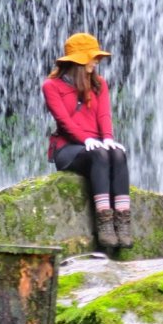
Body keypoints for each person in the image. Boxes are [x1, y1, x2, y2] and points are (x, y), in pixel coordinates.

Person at [42, 32, 132, 248]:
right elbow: (63, 121)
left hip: (96, 145)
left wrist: (108, 138)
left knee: (118, 153)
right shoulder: (51, 86)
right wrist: (86, 139)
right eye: (92, 57)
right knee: (100, 153)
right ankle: (105, 225)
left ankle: (123, 222)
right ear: (79, 61)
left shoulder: (99, 84)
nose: (96, 62)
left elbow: (104, 115)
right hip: (68, 150)